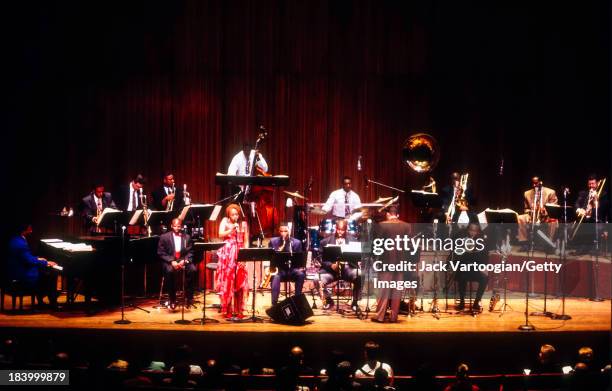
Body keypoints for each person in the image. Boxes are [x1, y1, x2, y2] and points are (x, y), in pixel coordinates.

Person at [370, 206, 413, 323]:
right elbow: (409, 247)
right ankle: (394, 317)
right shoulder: (406, 226)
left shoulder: (382, 225)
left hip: (385, 262)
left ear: (388, 214)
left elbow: (376, 244)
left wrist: (374, 258)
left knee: (383, 290)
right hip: (400, 263)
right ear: (397, 214)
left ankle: (380, 316)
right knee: (396, 291)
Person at [5, 224, 59, 308]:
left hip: (14, 270)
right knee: (51, 274)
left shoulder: (15, 239)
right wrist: (46, 263)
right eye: (29, 228)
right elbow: (29, 260)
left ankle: (42, 299)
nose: (31, 230)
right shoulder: (20, 243)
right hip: (21, 274)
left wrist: (38, 258)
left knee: (45, 273)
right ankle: (52, 302)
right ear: (24, 228)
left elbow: (25, 257)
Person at [320, 219, 362, 312]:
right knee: (317, 279)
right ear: (335, 228)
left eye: (342, 230)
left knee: (359, 274)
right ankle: (329, 300)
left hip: (348, 268)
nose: (340, 232)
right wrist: (331, 265)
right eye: (338, 229)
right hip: (332, 270)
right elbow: (322, 260)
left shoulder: (353, 240)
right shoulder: (325, 241)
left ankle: (355, 302)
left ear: (346, 229)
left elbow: (357, 258)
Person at [216, 203, 249, 319]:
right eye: (233, 214)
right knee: (229, 282)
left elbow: (246, 241)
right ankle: (228, 309)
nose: (235, 216)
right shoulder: (225, 222)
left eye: (236, 214)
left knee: (240, 281)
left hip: (239, 252)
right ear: (229, 215)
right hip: (227, 253)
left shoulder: (243, 224)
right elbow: (220, 234)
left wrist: (244, 257)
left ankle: (239, 310)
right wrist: (231, 229)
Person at [156, 218, 195, 309]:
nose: (177, 228)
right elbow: (160, 252)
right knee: (169, 271)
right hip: (170, 261)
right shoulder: (164, 237)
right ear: (171, 226)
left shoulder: (187, 237)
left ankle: (189, 297)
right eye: (175, 226)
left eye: (179, 226)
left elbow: (190, 252)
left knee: (193, 269)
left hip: (182, 260)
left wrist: (184, 260)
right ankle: (172, 299)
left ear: (181, 226)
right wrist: (171, 261)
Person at [453, 222, 489, 312]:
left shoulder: (481, 241)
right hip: (464, 268)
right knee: (461, 277)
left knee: (485, 278)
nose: (472, 232)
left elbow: (485, 257)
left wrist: (484, 268)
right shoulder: (462, 239)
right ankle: (462, 302)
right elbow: (456, 254)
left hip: (475, 269)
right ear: (468, 230)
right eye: (471, 230)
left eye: (475, 231)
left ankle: (476, 302)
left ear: (477, 232)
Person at [268, 224, 305, 305]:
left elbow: (299, 260)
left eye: (285, 231)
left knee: (301, 274)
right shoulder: (273, 242)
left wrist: (300, 267)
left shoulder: (296, 242)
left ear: (289, 232)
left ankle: (297, 301)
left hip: (292, 270)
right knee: (275, 277)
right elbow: (270, 259)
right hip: (279, 270)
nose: (283, 233)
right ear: (279, 231)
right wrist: (278, 251)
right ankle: (274, 304)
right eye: (281, 231)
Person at [517, 176, 558, 250]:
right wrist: (532, 210)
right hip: (532, 216)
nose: (534, 185)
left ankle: (549, 244)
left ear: (541, 182)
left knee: (554, 220)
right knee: (520, 218)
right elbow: (526, 209)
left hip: (546, 216)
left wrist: (544, 210)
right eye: (532, 183)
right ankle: (524, 243)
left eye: (536, 183)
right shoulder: (527, 193)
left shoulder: (551, 192)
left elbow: (554, 209)